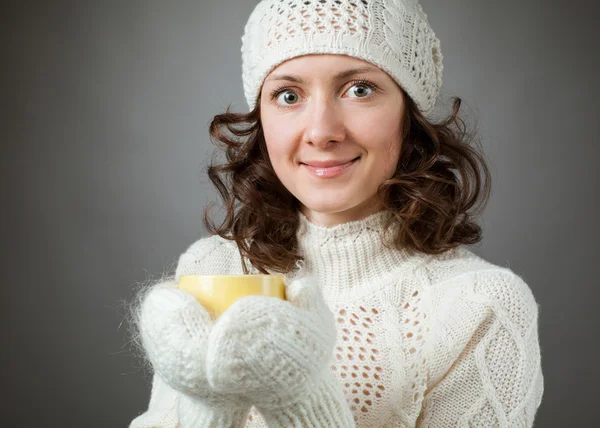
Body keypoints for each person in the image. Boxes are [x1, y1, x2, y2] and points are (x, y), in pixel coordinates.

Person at [129, 0, 544, 427]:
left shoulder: (479, 307)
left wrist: (300, 402)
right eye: (289, 96)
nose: (322, 131)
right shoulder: (212, 265)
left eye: (359, 89)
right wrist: (209, 409)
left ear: (410, 113)